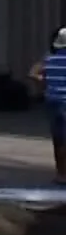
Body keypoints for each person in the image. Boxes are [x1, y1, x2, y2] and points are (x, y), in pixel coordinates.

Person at [41, 28, 66, 183]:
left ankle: (60, 173)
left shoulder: (49, 60)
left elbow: (37, 74)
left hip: (53, 102)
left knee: (58, 139)